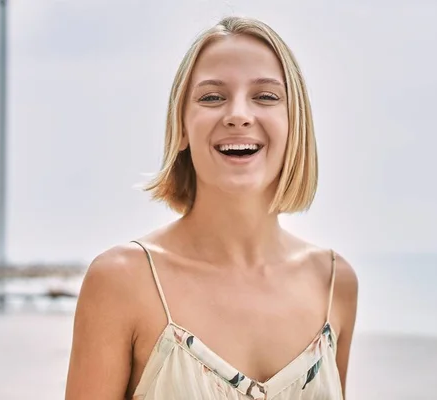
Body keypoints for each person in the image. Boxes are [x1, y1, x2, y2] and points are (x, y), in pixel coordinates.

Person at [65, 16, 358, 400]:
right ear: (182, 126)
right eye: (212, 97)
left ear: (294, 123)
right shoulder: (122, 281)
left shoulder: (335, 283)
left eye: (266, 96)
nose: (238, 114)